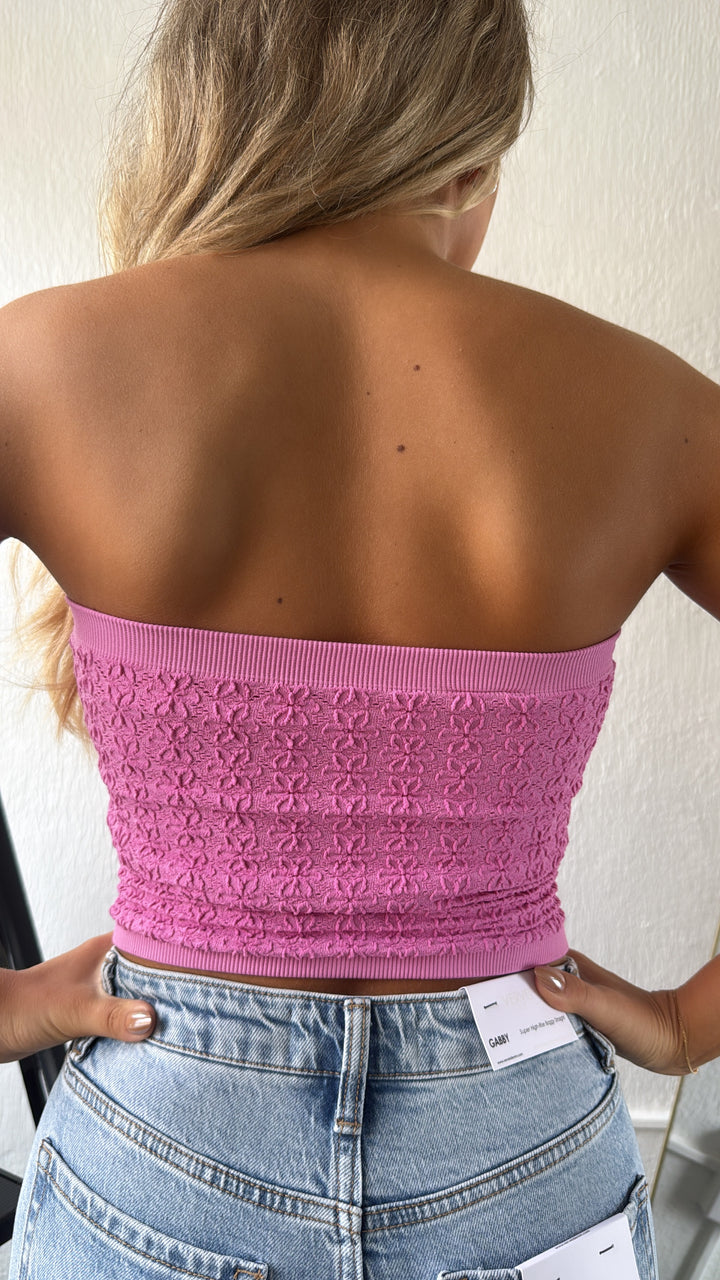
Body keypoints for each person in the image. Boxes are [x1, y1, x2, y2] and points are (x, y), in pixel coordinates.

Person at [1, 0, 718, 1275]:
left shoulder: (40, 364)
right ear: (473, 153)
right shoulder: (656, 406)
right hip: (522, 1146)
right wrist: (689, 1019)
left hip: (165, 1134)